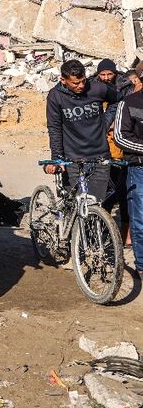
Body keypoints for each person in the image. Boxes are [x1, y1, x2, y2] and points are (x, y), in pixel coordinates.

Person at [45, 59, 118, 202]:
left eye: (83, 81)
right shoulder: (55, 96)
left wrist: (105, 122)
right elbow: (54, 127)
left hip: (100, 154)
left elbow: (117, 100)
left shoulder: (98, 88)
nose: (81, 86)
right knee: (76, 202)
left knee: (97, 202)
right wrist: (57, 157)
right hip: (72, 156)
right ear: (63, 80)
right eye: (75, 83)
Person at [112, 66, 143, 277]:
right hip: (139, 169)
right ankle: (142, 265)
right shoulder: (129, 103)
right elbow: (120, 137)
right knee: (141, 219)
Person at [95, 59, 131, 241]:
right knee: (104, 188)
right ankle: (102, 227)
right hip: (98, 143)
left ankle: (125, 231)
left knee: (122, 188)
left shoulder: (123, 87)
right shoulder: (92, 88)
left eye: (110, 74)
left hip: (119, 143)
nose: (106, 78)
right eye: (103, 74)